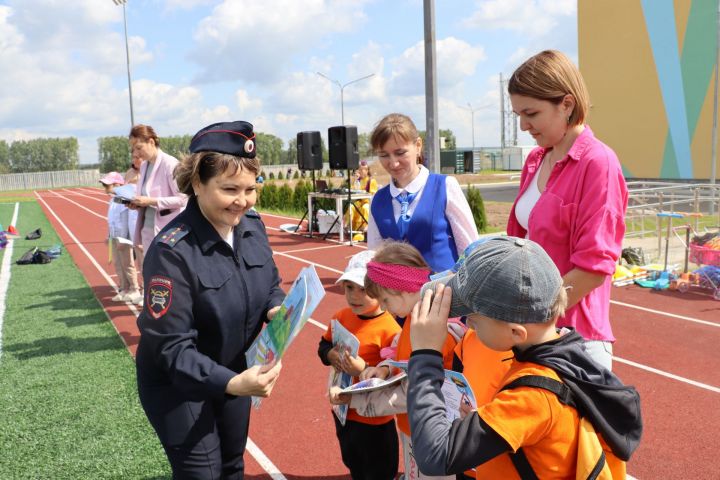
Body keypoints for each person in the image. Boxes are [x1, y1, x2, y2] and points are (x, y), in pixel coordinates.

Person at [406, 236, 642, 479]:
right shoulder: (565, 358)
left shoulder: (535, 396)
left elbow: (435, 456)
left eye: (472, 319)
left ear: (516, 333)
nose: (469, 325)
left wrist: (425, 354)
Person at [135, 121, 285, 478]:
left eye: (251, 189)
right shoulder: (171, 251)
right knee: (202, 472)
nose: (243, 201)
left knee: (233, 466)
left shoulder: (252, 226)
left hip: (234, 369)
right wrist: (234, 384)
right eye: (230, 188)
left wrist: (277, 307)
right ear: (198, 183)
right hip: (179, 384)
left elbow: (270, 284)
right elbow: (171, 348)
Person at [505, 50, 628, 370]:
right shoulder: (534, 161)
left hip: (573, 339)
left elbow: (594, 267)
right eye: (518, 114)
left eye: (530, 113)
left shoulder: (598, 163)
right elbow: (519, 244)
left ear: (567, 104)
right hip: (531, 333)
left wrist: (534, 317)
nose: (523, 125)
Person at [331, 241, 460, 480]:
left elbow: (413, 395)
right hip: (416, 429)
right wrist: (385, 367)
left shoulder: (433, 330)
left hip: (432, 434)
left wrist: (357, 400)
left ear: (401, 290)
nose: (385, 309)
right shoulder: (418, 318)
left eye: (386, 301)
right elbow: (399, 347)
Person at [317, 249, 401, 480]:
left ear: (382, 291)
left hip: (375, 419)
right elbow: (323, 346)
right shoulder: (340, 317)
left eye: (364, 289)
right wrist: (330, 355)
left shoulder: (390, 329)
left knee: (380, 470)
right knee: (353, 462)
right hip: (344, 411)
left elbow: (394, 374)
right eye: (349, 287)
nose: (354, 295)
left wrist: (363, 370)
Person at [366, 113, 478, 273]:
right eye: (384, 155)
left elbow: (470, 249)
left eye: (400, 153)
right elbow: (375, 255)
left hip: (444, 293)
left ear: (418, 146)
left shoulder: (445, 186)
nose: (393, 163)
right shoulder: (378, 199)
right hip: (397, 295)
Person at [129, 124, 187, 256]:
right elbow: (144, 197)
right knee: (150, 272)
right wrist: (136, 204)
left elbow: (183, 199)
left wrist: (151, 201)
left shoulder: (170, 164)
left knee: (167, 273)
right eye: (133, 149)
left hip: (168, 230)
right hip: (147, 229)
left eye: (139, 147)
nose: (136, 153)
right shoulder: (144, 166)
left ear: (151, 142)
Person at [99, 171, 142, 305]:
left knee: (127, 264)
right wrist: (109, 236)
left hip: (124, 237)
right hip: (115, 236)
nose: (105, 188)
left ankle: (134, 289)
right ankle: (124, 288)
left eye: (107, 185)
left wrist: (125, 239)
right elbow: (112, 220)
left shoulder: (125, 197)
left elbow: (129, 219)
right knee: (118, 263)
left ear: (118, 184)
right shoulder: (114, 199)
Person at [345, 160, 378, 234]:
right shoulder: (358, 180)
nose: (361, 171)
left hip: (368, 202)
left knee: (365, 208)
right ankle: (347, 226)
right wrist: (355, 180)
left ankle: (365, 228)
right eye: (360, 169)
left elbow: (373, 195)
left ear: (367, 171)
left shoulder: (371, 181)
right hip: (359, 202)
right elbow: (352, 190)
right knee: (351, 206)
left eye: (364, 169)